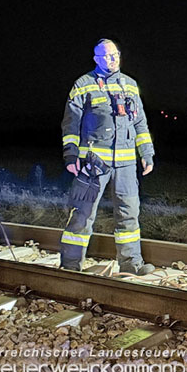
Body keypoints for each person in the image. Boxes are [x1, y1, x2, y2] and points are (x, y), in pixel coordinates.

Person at [60, 38, 155, 274]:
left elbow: (140, 123)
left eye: (115, 55)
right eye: (106, 56)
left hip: (126, 166)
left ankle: (131, 264)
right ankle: (71, 267)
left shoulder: (131, 85)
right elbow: (71, 124)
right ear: (96, 59)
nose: (111, 60)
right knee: (81, 215)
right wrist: (71, 156)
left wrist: (147, 153)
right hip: (93, 166)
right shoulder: (83, 84)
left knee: (129, 215)